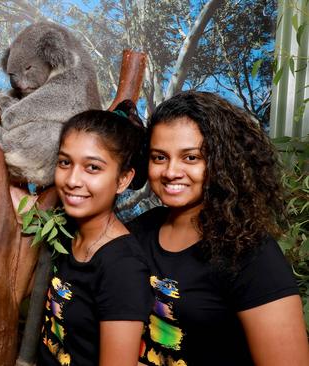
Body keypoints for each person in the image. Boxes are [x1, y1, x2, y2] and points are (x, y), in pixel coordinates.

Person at [130, 91, 309, 365]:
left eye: (191, 158)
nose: (170, 171)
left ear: (221, 161)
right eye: (159, 157)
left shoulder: (251, 255)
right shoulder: (140, 231)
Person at [38, 101, 153, 366]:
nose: (72, 180)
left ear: (123, 179)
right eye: (65, 162)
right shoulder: (68, 233)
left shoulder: (122, 268)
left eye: (92, 167)